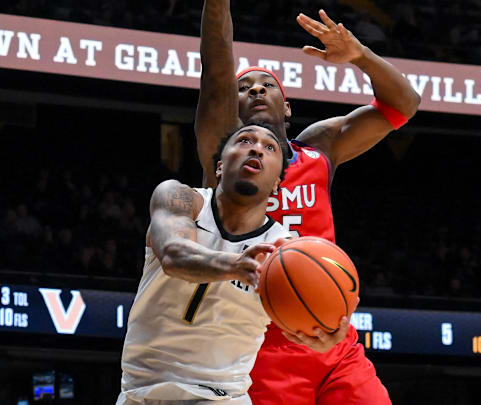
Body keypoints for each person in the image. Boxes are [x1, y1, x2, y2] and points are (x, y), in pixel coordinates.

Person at [194, 1, 420, 404]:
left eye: (267, 85)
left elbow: (403, 106)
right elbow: (214, 68)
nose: (256, 90)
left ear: (288, 106)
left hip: (333, 336)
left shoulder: (319, 148)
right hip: (258, 347)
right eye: (243, 89)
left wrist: (361, 56)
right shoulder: (223, 160)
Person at [116, 122, 292, 405]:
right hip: (143, 392)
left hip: (223, 397)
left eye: (269, 147)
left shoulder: (283, 250)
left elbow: (301, 324)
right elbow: (174, 255)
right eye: (245, 140)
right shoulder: (180, 198)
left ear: (276, 185)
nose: (257, 148)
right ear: (219, 167)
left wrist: (324, 331)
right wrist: (236, 265)